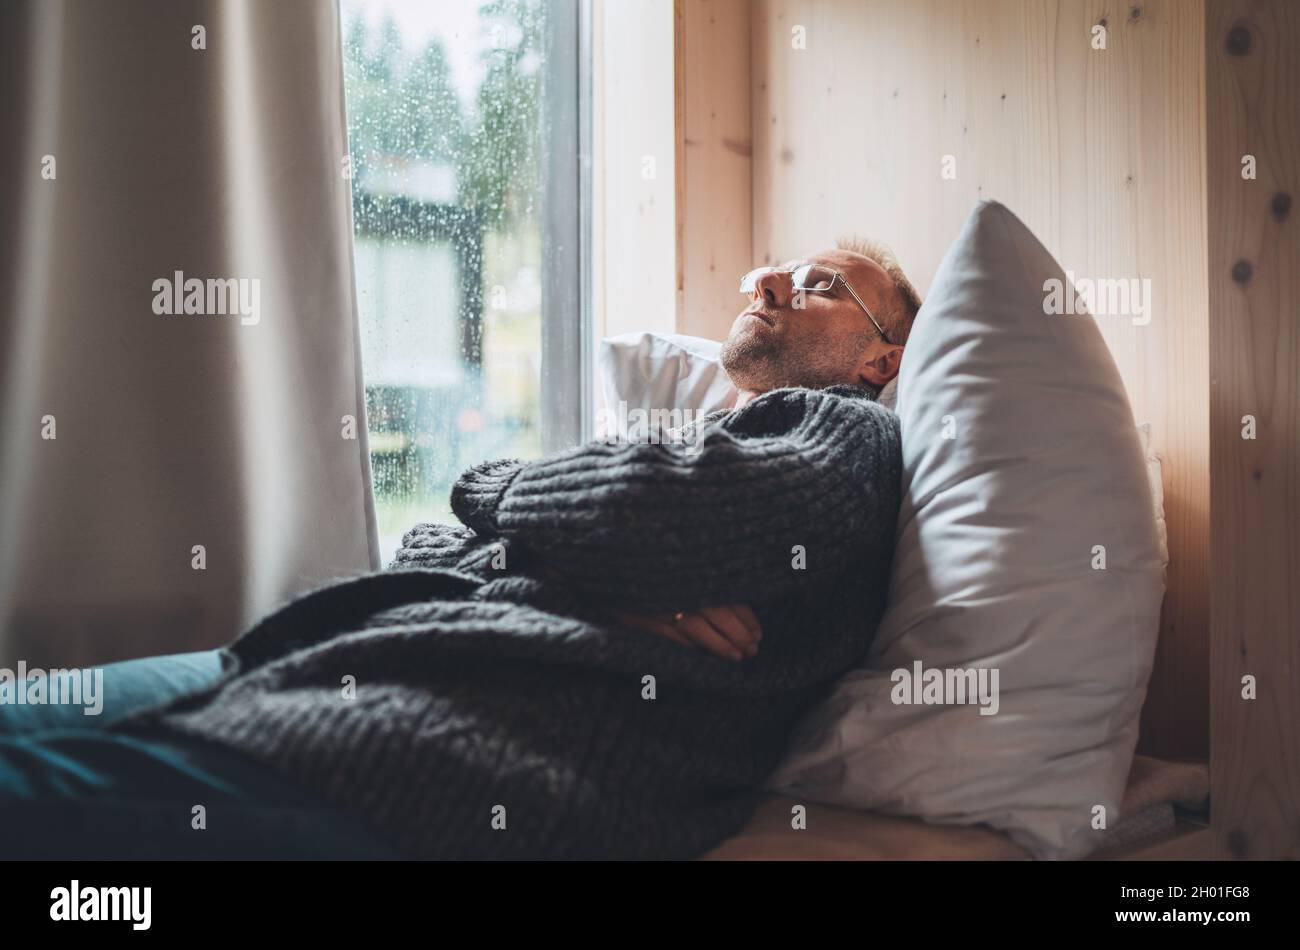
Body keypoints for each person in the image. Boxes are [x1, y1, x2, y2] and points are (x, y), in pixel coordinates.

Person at [0, 239, 921, 860]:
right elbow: (428, 547)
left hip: (441, 756)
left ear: (882, 359)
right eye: (776, 271)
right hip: (312, 671)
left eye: (820, 286)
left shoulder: (842, 436)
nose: (768, 285)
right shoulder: (680, 443)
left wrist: (537, 517)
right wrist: (580, 555)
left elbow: (649, 517)